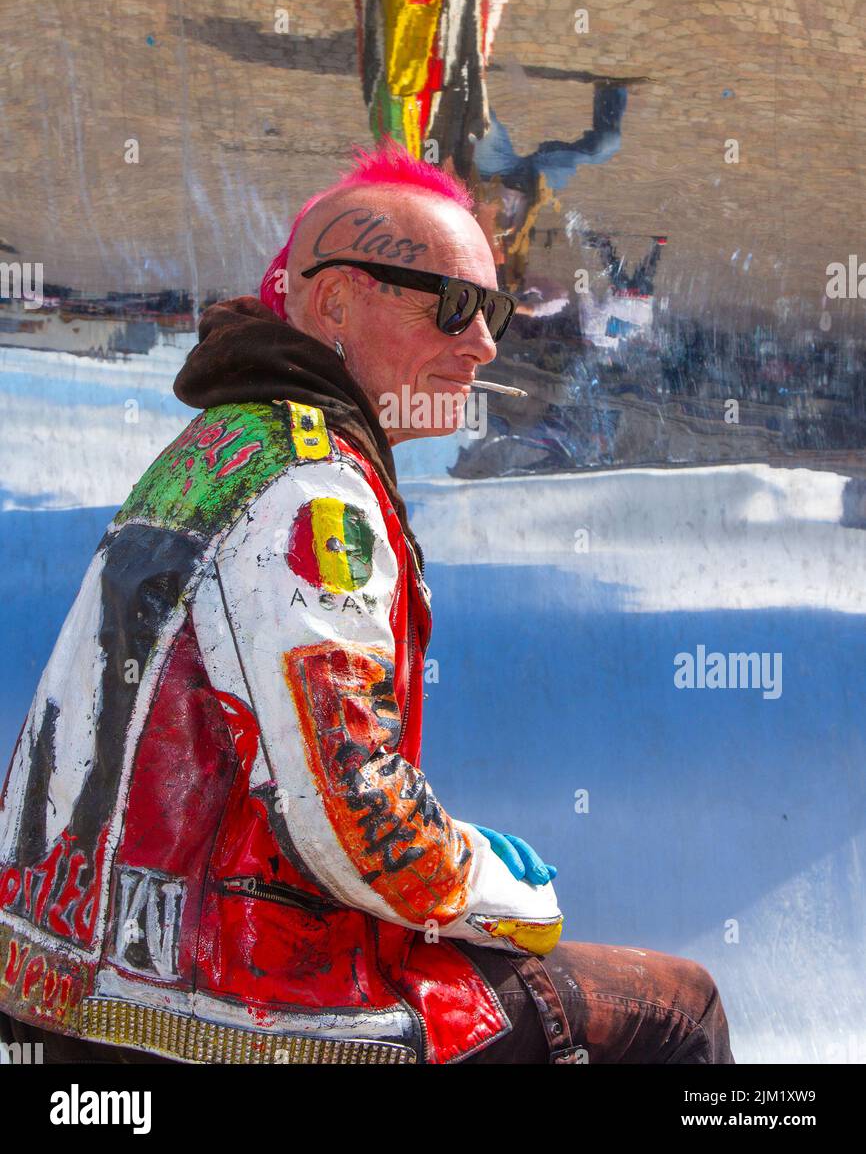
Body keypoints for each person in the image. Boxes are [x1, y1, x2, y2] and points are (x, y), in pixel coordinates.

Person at [0, 141, 733, 1064]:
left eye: (496, 309)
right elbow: (355, 819)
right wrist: (508, 889)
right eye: (455, 306)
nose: (485, 343)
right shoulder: (313, 492)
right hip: (223, 999)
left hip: (60, 972)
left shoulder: (219, 443)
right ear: (338, 299)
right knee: (680, 1013)